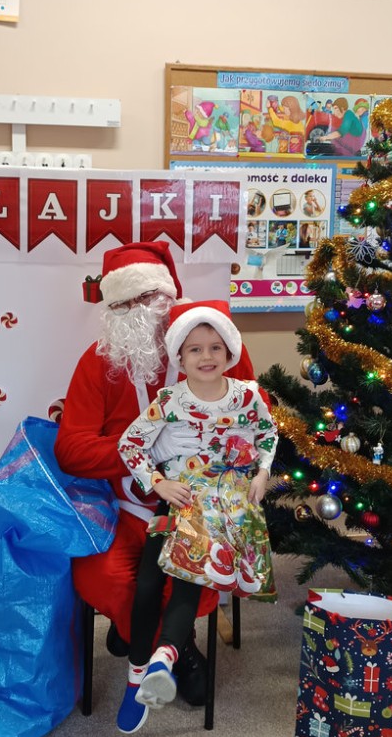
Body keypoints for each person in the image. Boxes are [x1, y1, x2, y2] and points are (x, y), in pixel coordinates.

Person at [53, 242, 260, 705]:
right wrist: (146, 448)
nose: (139, 311)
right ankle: (169, 645)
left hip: (197, 506)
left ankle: (151, 641)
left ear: (171, 296)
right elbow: (71, 450)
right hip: (121, 508)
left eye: (148, 297)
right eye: (124, 303)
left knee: (194, 574)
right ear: (111, 310)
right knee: (107, 579)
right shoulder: (98, 361)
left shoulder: (215, 349)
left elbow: (250, 423)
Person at [113, 300, 278, 732]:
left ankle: (163, 657)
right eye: (195, 349)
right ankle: (140, 674)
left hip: (221, 510)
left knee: (188, 576)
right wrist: (158, 482)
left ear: (230, 352)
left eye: (215, 347)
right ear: (180, 359)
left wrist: (262, 473)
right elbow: (130, 445)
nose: (207, 356)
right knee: (148, 581)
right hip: (178, 500)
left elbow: (268, 433)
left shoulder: (247, 396)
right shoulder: (170, 400)